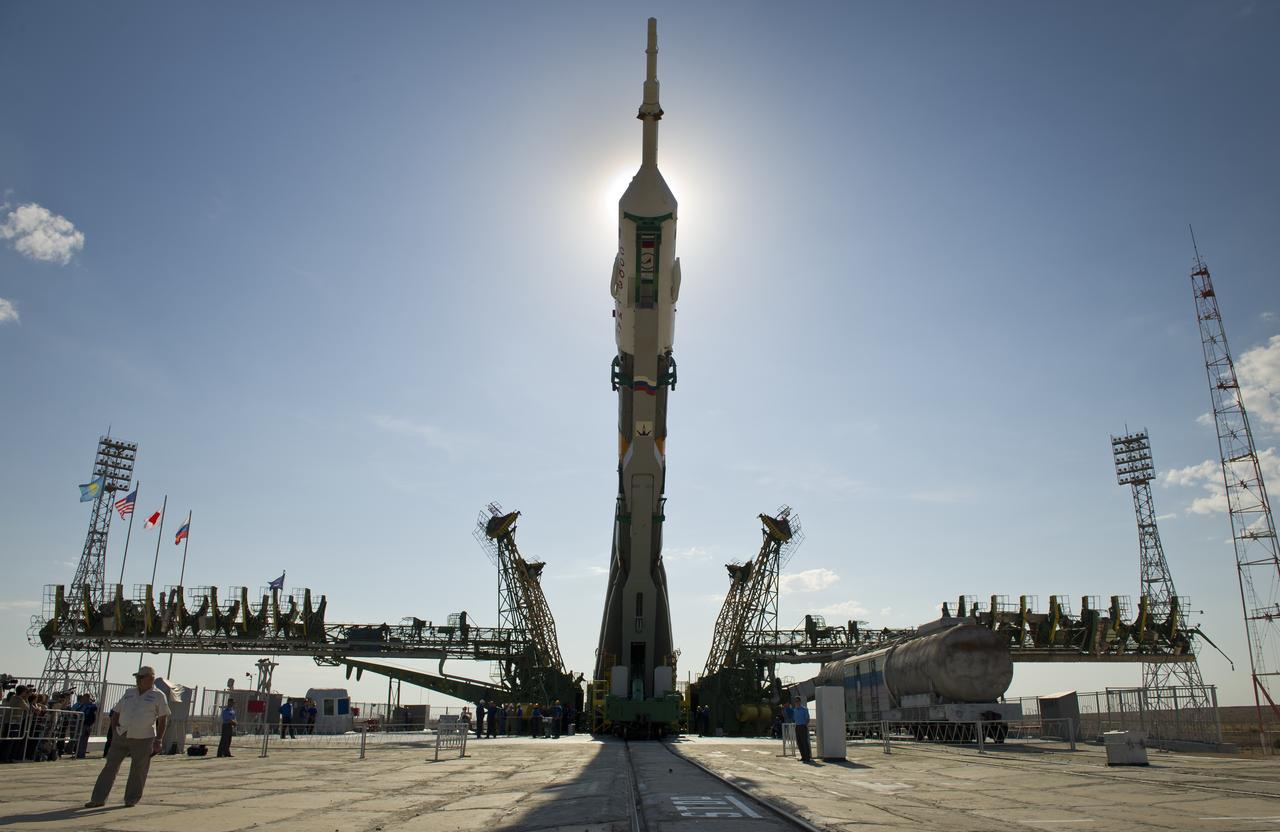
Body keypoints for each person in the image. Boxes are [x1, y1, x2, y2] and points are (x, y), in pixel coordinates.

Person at [85, 667, 170, 808]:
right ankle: (98, 798)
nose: (138, 680)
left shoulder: (158, 696)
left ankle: (131, 799)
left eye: (141, 677)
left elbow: (163, 719)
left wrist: (158, 740)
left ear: (150, 678)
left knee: (138, 769)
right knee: (110, 767)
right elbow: (116, 711)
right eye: (138, 677)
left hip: (143, 737)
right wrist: (115, 731)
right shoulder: (129, 693)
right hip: (122, 734)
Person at [75, 694, 99, 760]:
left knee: (83, 740)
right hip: (80, 724)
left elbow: (91, 714)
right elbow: (76, 711)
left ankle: (81, 754)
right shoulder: (82, 705)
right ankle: (78, 753)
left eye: (84, 698)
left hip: (87, 725)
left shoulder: (92, 706)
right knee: (79, 740)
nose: (83, 700)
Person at [791, 696, 812, 762]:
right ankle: (803, 757)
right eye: (795, 701)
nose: (797, 702)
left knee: (804, 742)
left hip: (803, 726)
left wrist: (805, 725)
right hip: (797, 727)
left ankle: (807, 757)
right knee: (799, 742)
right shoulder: (794, 710)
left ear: (800, 701)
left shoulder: (804, 709)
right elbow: (794, 719)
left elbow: (807, 719)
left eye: (798, 701)